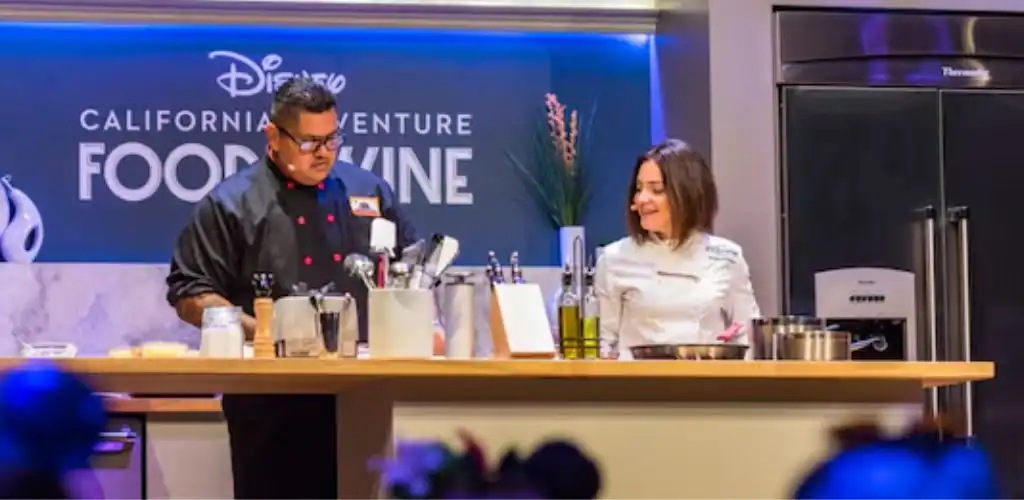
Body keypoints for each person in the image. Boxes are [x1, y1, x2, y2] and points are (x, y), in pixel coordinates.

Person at [165, 77, 417, 499]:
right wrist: (264, 334)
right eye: (308, 142)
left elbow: (407, 268)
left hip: (363, 394)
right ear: (273, 136)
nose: (323, 153)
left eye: (332, 139)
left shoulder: (370, 190)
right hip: (268, 403)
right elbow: (190, 293)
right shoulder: (232, 203)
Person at [596, 139, 760, 359]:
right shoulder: (614, 258)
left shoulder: (728, 256)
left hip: (708, 386)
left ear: (687, 195)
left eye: (656, 190)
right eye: (639, 189)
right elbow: (602, 344)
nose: (642, 199)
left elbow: (748, 337)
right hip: (637, 387)